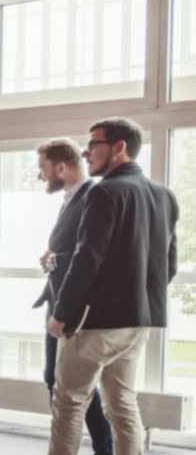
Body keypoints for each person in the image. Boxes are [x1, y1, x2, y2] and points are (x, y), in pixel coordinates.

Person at [47, 118, 179, 455]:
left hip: (97, 323)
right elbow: (169, 265)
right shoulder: (165, 196)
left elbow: (86, 258)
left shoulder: (104, 192)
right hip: (139, 323)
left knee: (69, 403)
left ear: (119, 147)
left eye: (94, 144)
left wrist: (61, 314)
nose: (86, 152)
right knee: (122, 405)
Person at [32, 138, 114, 455]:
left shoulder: (94, 196)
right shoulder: (72, 197)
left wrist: (58, 260)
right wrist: (52, 257)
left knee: (72, 384)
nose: (41, 175)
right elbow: (71, 247)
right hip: (58, 298)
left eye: (43, 168)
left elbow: (90, 254)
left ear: (62, 167)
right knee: (56, 380)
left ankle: (101, 447)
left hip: (75, 308)